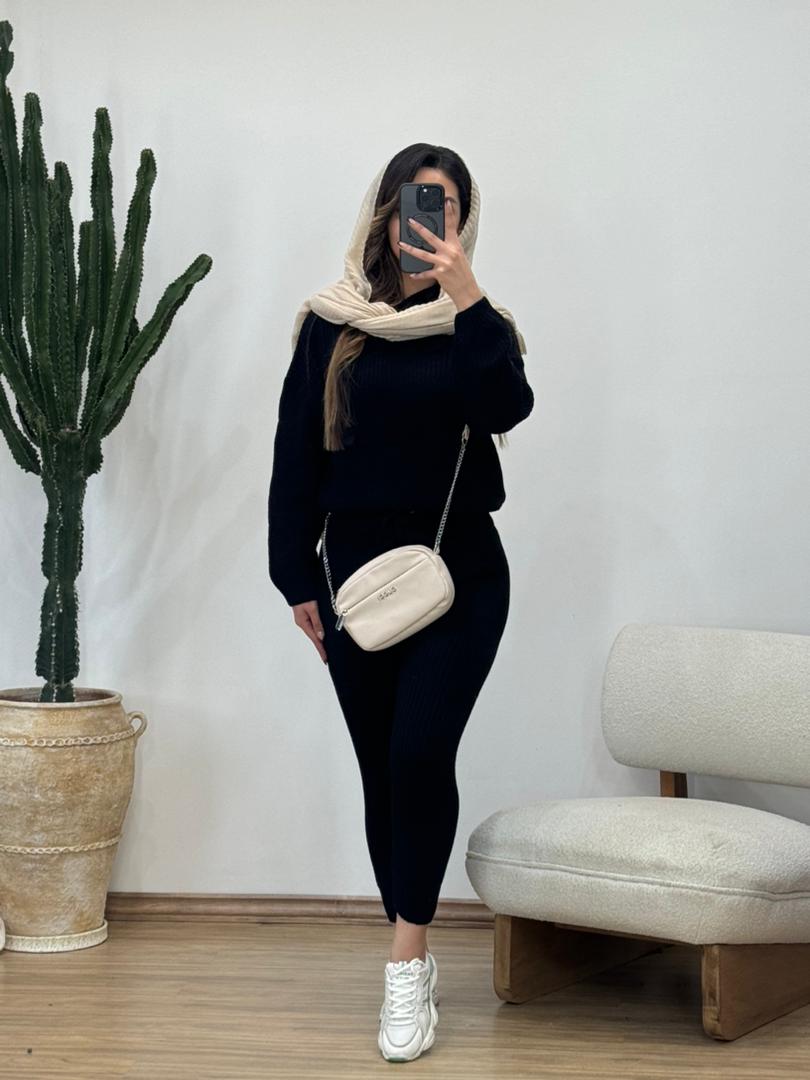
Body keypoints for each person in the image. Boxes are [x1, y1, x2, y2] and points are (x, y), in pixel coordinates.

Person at [267, 143, 534, 1062]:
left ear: (463, 221)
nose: (429, 219)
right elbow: (296, 452)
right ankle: (408, 930)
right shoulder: (329, 323)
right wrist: (295, 576)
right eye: (417, 202)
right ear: (384, 213)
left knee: (420, 753)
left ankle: (407, 960)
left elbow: (506, 409)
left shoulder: (476, 323)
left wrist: (466, 295)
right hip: (356, 580)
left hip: (462, 573)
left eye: (447, 205)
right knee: (382, 768)